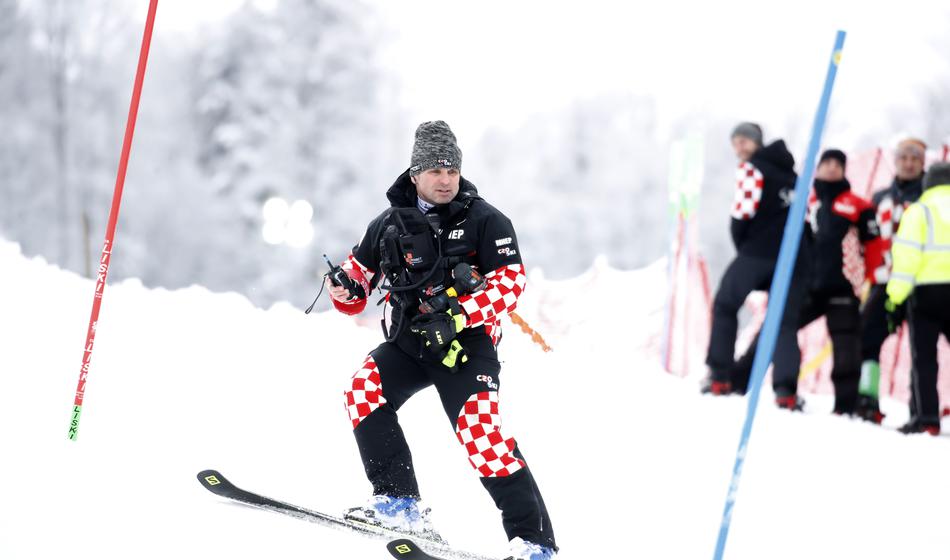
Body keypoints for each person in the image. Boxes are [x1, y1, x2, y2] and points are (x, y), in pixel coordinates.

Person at [326, 121, 556, 559]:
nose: (446, 180)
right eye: (435, 170)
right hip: (410, 342)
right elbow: (357, 276)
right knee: (363, 391)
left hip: (466, 347)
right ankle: (398, 505)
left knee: (481, 435)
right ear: (415, 174)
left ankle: (535, 544)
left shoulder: (487, 220)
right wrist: (344, 288)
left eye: (452, 170)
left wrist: (459, 314)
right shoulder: (388, 223)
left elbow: (510, 284)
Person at [730, 150, 883, 415]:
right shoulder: (802, 201)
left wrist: (869, 280)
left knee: (847, 345)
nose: (832, 168)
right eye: (827, 163)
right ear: (818, 167)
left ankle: (847, 407)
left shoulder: (859, 206)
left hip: (843, 288)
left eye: (838, 164)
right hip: (805, 286)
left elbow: (874, 246)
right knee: (774, 328)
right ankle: (736, 383)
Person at [703, 122, 809, 409]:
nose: (740, 146)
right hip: (794, 258)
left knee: (725, 303)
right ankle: (786, 391)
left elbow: (743, 211)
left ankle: (719, 375)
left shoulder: (751, 169)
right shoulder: (794, 177)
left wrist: (744, 245)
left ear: (757, 142)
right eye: (735, 141)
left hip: (759, 250)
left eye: (744, 140)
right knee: (784, 323)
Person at [858, 139, 927, 420]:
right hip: (885, 280)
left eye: (915, 159)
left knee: (922, 345)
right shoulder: (881, 197)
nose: (909, 164)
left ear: (922, 163)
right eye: (904, 158)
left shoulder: (929, 195)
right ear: (895, 161)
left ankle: (922, 409)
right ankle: (867, 398)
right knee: (867, 334)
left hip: (922, 281)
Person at [884, 162, 950, 435]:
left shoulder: (919, 211)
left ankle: (927, 419)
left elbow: (906, 258)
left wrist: (894, 298)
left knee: (924, 358)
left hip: (926, 294)